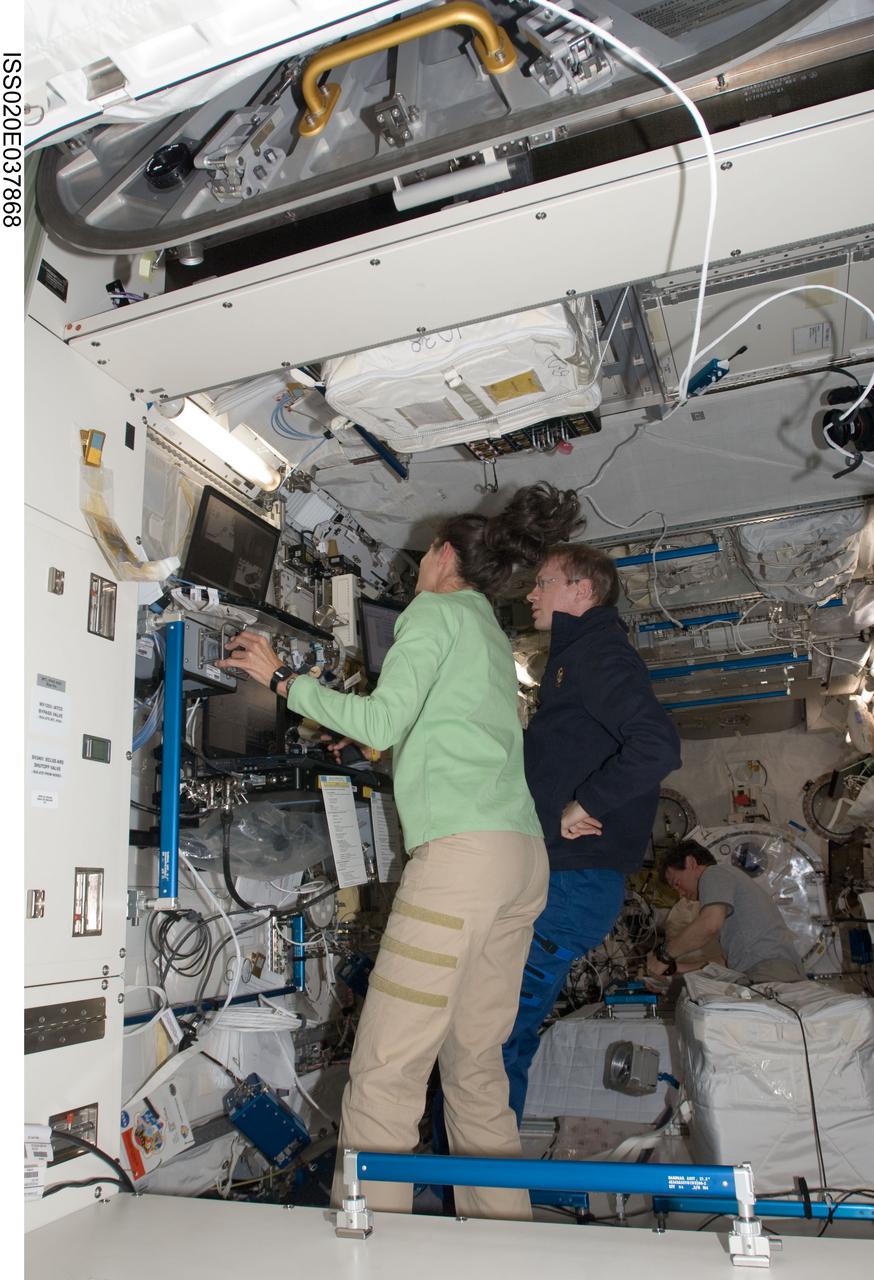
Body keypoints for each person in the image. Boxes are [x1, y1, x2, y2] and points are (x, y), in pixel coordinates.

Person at [216, 484, 580, 1221]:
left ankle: (370, 1241)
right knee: (475, 1066)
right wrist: (367, 735)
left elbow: (383, 718)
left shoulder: (433, 612)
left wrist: (282, 679)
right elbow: (424, 734)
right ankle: (504, 1235)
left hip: (463, 867)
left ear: (444, 557)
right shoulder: (486, 629)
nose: (417, 568)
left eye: (424, 555)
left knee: (387, 1067)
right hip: (520, 862)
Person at [502, 543, 682, 1122]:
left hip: (573, 883)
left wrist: (585, 802)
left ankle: (476, 1191)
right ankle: (471, 1185)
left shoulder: (598, 653)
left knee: (496, 1036)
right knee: (497, 1032)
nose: (532, 593)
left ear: (583, 591)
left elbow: (657, 745)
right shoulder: (570, 659)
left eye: (543, 582)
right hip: (564, 879)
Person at [646, 840, 807, 983]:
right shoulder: (730, 891)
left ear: (691, 862)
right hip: (771, 971)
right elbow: (728, 962)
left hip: (770, 972)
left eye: (677, 883)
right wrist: (677, 968)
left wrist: (664, 956)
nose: (680, 894)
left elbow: (709, 925)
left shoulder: (714, 873)